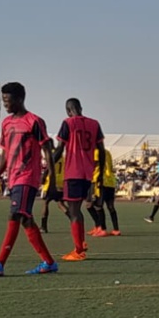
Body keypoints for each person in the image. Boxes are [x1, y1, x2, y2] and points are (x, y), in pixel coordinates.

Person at [0, 82, 58, 276]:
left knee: (15, 215)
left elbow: (48, 151)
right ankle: (48, 262)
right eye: (3, 101)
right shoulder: (6, 123)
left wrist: (50, 178)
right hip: (13, 178)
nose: (5, 105)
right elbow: (5, 154)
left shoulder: (34, 121)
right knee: (25, 219)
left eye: (8, 101)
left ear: (19, 99)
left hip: (28, 177)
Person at [52, 98, 105, 261]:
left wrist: (47, 167)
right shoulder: (95, 124)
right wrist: (100, 173)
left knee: (74, 212)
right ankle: (81, 244)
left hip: (73, 172)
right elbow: (101, 150)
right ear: (80, 108)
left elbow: (60, 149)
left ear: (68, 110)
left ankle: (78, 250)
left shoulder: (68, 123)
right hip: (88, 173)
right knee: (78, 210)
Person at [91, 148, 120, 236]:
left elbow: (94, 164)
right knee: (110, 206)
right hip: (110, 181)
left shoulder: (96, 151)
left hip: (101, 181)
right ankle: (116, 229)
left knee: (98, 206)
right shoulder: (107, 152)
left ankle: (103, 229)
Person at [40, 155, 67, 233]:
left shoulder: (52, 154)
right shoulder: (62, 156)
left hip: (50, 182)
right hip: (60, 182)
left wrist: (44, 177)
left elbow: (49, 168)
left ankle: (43, 226)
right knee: (60, 204)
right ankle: (73, 220)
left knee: (45, 203)